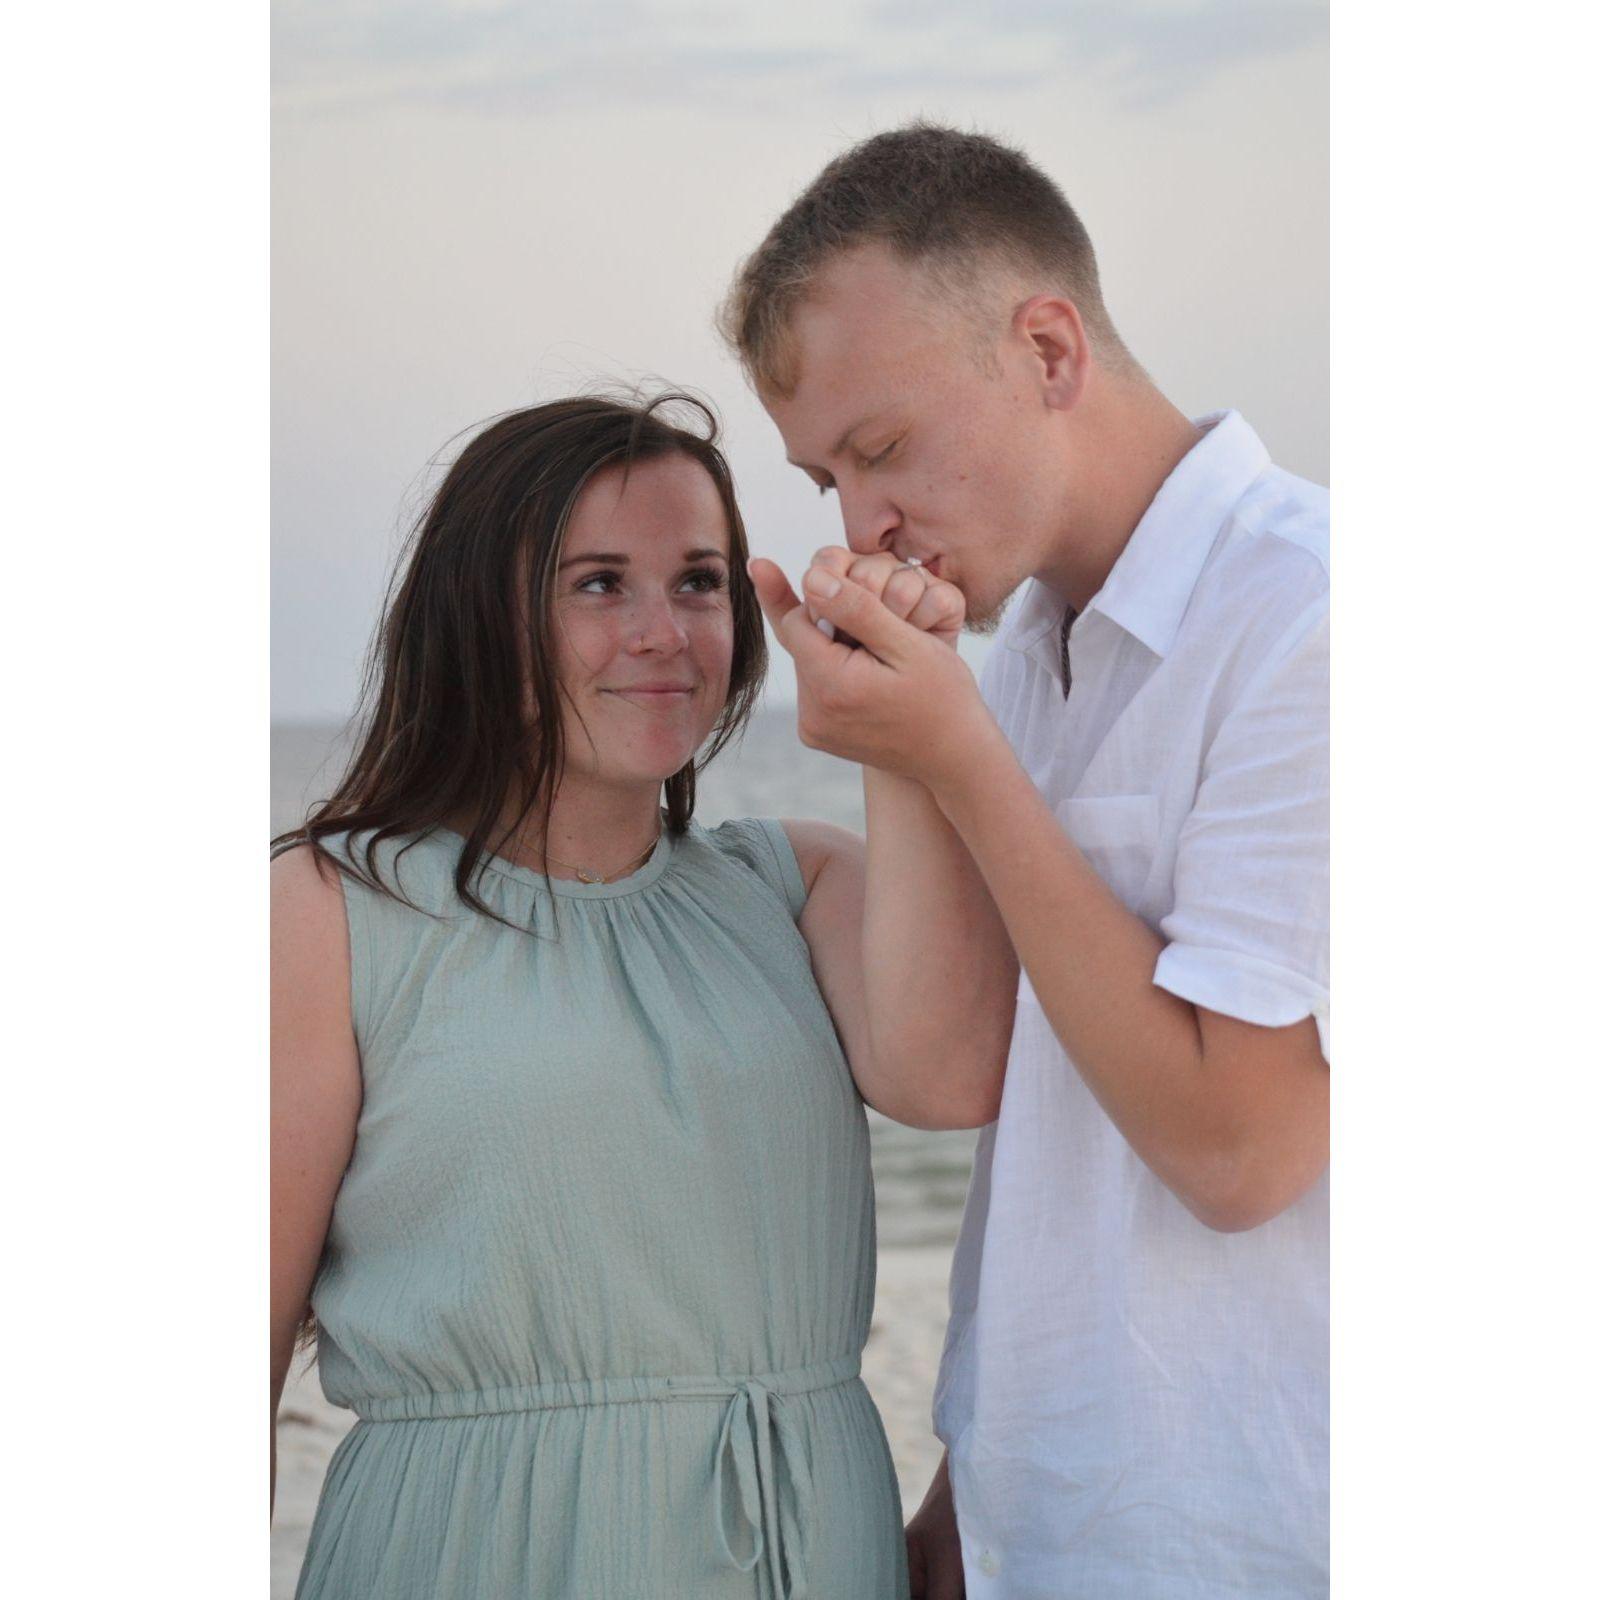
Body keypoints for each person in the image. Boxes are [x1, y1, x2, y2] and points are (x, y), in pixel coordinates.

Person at [269, 393, 1017, 1599]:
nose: (664, 632)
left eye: (699, 582)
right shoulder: (327, 911)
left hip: (810, 1551)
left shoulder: (796, 883)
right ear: (481, 611)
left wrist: (898, 710)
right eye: (599, 584)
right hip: (480, 1553)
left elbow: (951, 1075)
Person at [720, 124, 1330, 1597]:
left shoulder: (1314, 620)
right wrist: (964, 1499)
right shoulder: (1034, 655)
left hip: (1256, 1542)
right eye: (824, 478)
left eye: (881, 449)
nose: (861, 521)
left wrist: (958, 758)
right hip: (1039, 1538)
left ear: (1048, 351)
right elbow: (1015, 1121)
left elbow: (1238, 1152)